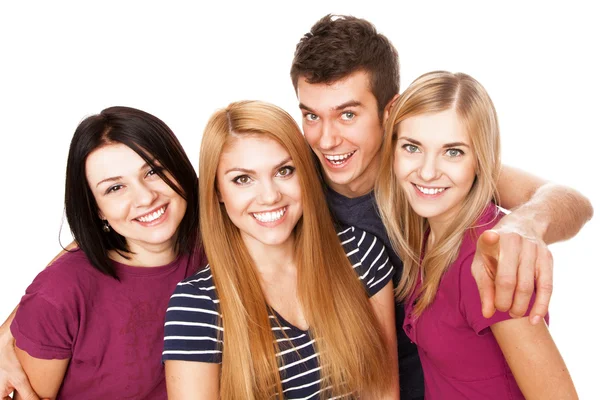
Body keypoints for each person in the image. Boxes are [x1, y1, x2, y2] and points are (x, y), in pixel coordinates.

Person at [290, 14, 593, 400]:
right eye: (311, 115)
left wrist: (526, 225)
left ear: (390, 110)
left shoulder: (437, 183)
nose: (327, 139)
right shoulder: (290, 185)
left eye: (348, 114)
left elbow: (573, 201)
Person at [162, 100, 399, 399]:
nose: (270, 196)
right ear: (218, 192)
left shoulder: (362, 254)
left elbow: (383, 392)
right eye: (243, 179)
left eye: (284, 171)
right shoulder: (197, 306)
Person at [375, 70, 578, 399]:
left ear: (480, 161)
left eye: (453, 152)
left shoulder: (487, 260)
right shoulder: (430, 231)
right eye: (412, 147)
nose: (427, 171)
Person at [7, 106, 206, 399]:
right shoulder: (60, 294)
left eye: (152, 171)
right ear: (96, 209)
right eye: (115, 188)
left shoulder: (218, 240)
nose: (145, 197)